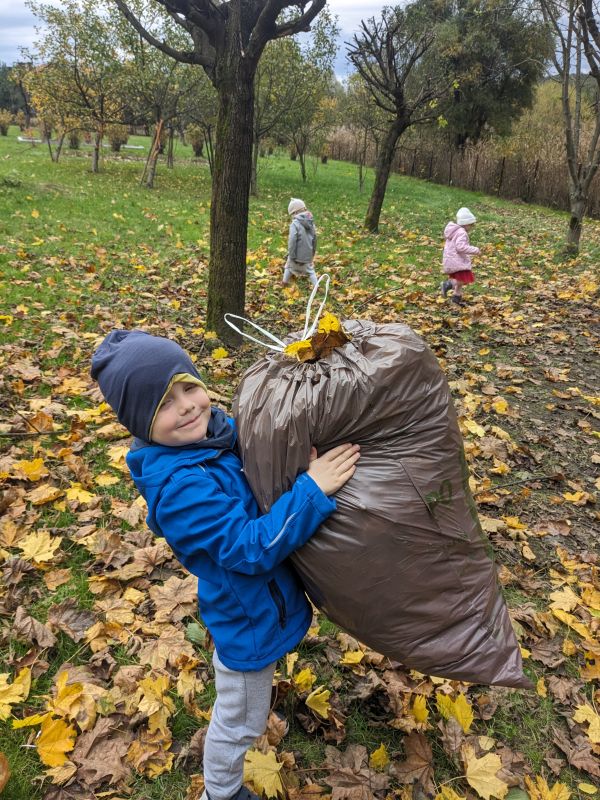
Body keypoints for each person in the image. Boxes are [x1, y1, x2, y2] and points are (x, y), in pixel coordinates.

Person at [90, 329, 359, 800]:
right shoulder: (180, 489)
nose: (189, 405)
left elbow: (257, 469)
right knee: (240, 721)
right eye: (165, 404)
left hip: (268, 602)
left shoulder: (214, 434)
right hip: (247, 620)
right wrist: (312, 490)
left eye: (189, 386)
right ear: (139, 421)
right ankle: (221, 790)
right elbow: (247, 549)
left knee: (253, 699)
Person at [440, 207, 480, 307]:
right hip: (458, 261)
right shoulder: (462, 232)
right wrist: (475, 250)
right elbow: (460, 247)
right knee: (461, 280)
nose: (471, 228)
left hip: (451, 259)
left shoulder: (454, 231)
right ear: (466, 224)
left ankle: (456, 298)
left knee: (461, 281)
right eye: (471, 225)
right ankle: (447, 285)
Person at [283, 198, 318, 287]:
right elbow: (314, 239)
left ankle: (284, 282)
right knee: (311, 272)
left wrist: (291, 255)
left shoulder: (294, 224)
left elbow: (292, 240)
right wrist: (312, 254)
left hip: (295, 257)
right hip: (307, 257)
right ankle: (316, 286)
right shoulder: (311, 223)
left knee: (288, 266)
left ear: (295, 213)